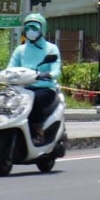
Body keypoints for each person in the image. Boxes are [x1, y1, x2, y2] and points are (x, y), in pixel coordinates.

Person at [7, 12, 62, 144]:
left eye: (35, 28)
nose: (31, 31)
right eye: (28, 28)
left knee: (36, 99)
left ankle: (39, 131)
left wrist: (48, 74)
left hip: (43, 88)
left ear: (42, 29)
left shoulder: (51, 49)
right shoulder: (20, 50)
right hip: (22, 88)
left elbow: (56, 69)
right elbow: (11, 68)